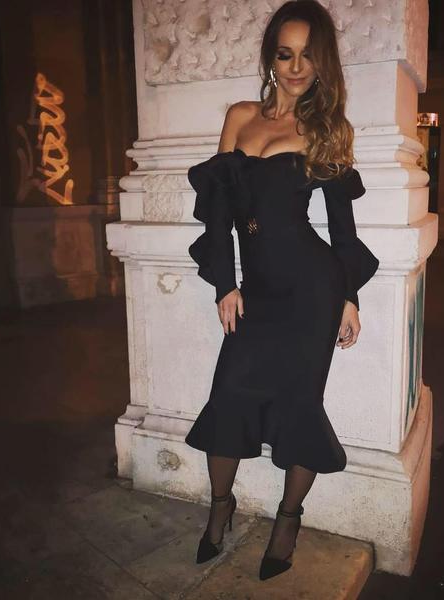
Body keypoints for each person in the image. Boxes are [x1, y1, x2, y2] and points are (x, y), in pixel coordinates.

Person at [184, 0, 379, 581]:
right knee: (229, 395)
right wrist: (225, 284)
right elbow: (218, 213)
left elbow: (341, 230)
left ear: (323, 63)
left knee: (299, 406)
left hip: (312, 290)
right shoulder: (240, 116)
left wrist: (349, 296)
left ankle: (288, 519)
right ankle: (221, 506)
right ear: (271, 57)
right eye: (285, 53)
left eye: (307, 56)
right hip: (258, 290)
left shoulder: (328, 130)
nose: (296, 67)